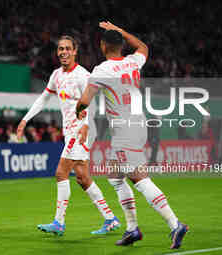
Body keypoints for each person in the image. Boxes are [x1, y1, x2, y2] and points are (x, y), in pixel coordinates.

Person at [76, 21, 188, 249]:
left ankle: (175, 223)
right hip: (138, 125)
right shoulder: (131, 62)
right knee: (115, 176)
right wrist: (122, 31)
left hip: (125, 130)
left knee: (139, 179)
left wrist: (77, 111)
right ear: (121, 45)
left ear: (102, 46)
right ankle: (132, 229)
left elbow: (85, 101)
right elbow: (144, 47)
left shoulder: (102, 70)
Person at [17, 35, 120, 236]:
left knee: (60, 173)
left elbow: (93, 102)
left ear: (75, 51)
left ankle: (59, 222)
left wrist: (85, 126)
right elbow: (43, 99)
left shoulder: (82, 75)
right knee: (82, 177)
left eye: (67, 49)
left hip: (82, 130)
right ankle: (110, 219)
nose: (63, 52)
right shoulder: (56, 75)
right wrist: (25, 119)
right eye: (60, 49)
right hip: (71, 131)